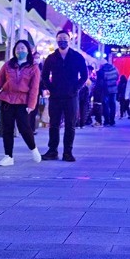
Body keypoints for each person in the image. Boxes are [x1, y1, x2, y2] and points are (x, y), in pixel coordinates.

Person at [0, 39, 42, 166]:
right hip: (7, 99)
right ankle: (8, 156)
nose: (20, 50)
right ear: (14, 50)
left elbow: (35, 88)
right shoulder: (7, 65)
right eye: (18, 48)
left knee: (24, 128)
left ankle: (33, 148)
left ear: (28, 51)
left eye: (23, 48)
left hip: (23, 101)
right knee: (7, 128)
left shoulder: (33, 67)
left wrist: (31, 105)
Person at [41, 30, 88, 162]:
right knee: (54, 124)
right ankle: (52, 151)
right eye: (60, 38)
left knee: (70, 125)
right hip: (55, 96)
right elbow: (44, 76)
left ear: (69, 40)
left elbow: (84, 76)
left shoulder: (77, 57)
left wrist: (75, 88)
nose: (62, 40)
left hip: (71, 97)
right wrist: (51, 88)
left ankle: (68, 152)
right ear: (56, 40)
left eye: (65, 38)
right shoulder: (51, 58)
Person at [95, 53, 120, 126]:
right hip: (114, 89)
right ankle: (112, 121)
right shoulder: (114, 68)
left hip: (105, 90)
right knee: (113, 105)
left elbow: (99, 82)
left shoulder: (101, 71)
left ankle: (107, 121)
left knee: (105, 105)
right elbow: (117, 77)